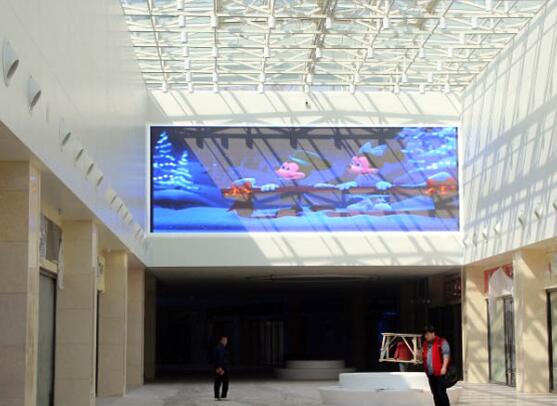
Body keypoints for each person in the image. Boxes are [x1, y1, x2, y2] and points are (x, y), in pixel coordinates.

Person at [422, 325, 451, 406]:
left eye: (427, 334)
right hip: (430, 373)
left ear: (433, 333)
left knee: (441, 393)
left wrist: (444, 367)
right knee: (435, 394)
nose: (426, 336)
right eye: (425, 335)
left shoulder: (441, 342)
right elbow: (423, 357)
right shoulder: (425, 344)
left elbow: (446, 354)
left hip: (440, 373)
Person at [213, 335, 229, 401]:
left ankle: (221, 396)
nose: (226, 341)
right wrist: (219, 367)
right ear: (221, 340)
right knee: (219, 381)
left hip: (222, 367)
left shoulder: (221, 347)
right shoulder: (220, 348)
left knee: (224, 381)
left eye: (226, 340)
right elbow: (219, 358)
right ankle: (219, 396)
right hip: (221, 367)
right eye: (224, 340)